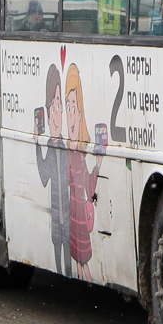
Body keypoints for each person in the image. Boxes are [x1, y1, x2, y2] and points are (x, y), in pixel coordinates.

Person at [65, 63, 102, 282]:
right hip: (73, 215)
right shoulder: (69, 154)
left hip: (79, 216)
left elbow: (88, 187)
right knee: (80, 262)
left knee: (83, 261)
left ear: (81, 115)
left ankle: (84, 274)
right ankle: (83, 273)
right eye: (67, 107)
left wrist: (97, 166)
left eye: (73, 108)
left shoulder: (79, 155)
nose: (70, 115)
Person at [35, 64, 71, 277]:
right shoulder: (49, 145)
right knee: (57, 249)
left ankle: (66, 271)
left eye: (60, 106)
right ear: (48, 116)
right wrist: (38, 145)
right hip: (56, 216)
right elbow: (44, 176)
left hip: (66, 216)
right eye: (53, 107)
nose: (57, 114)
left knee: (67, 251)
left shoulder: (66, 148)